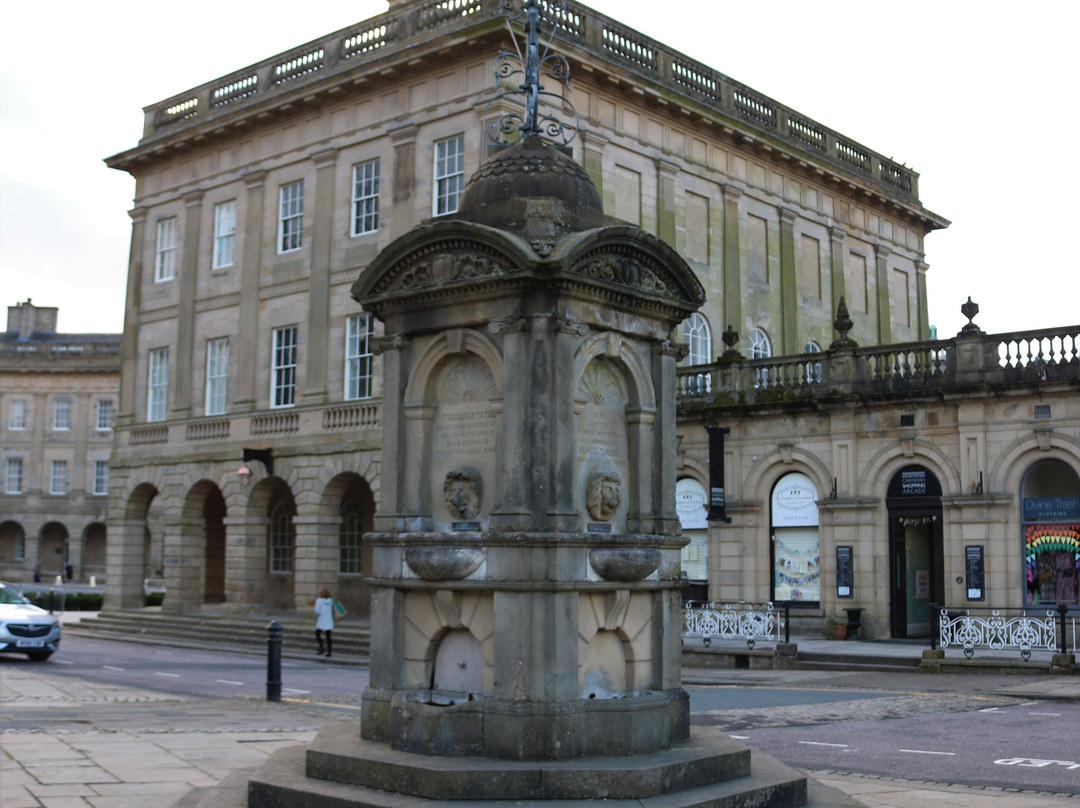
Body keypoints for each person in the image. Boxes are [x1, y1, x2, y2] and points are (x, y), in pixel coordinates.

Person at [313, 586, 335, 657]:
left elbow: (317, 611)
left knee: (317, 634)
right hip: (329, 620)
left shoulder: (319, 601)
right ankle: (329, 652)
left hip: (322, 620)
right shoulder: (330, 600)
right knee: (328, 636)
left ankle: (322, 647)